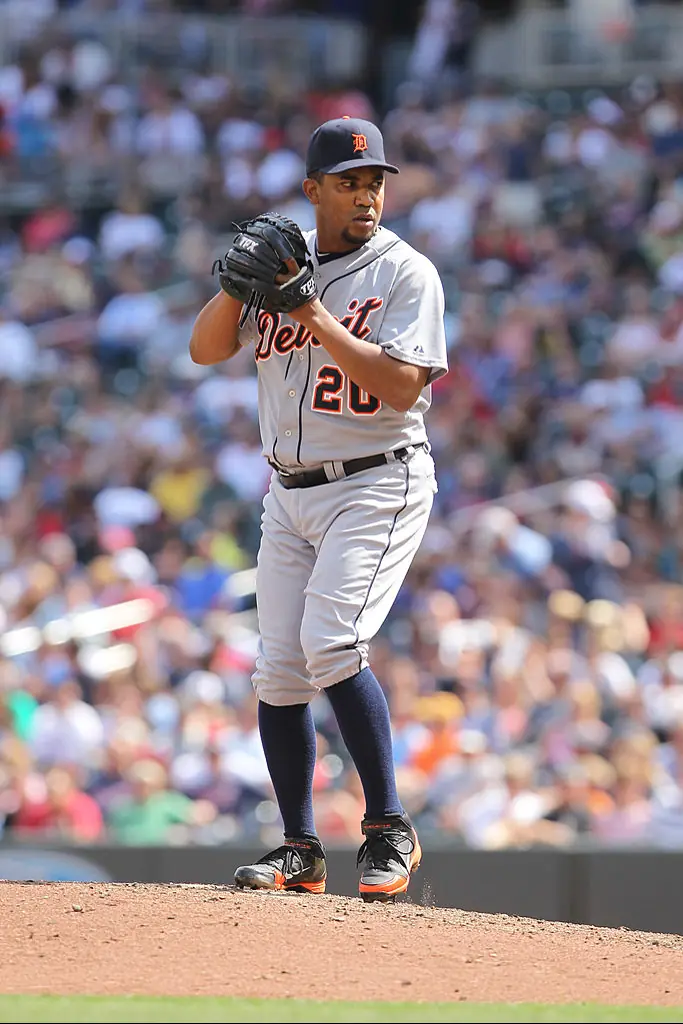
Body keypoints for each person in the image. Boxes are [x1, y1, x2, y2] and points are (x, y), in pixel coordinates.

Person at [190, 116, 448, 901]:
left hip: (377, 475)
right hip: (288, 487)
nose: (366, 194)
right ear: (314, 190)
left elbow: (403, 386)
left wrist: (309, 311)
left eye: (374, 181)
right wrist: (234, 289)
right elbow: (205, 350)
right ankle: (299, 847)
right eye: (349, 181)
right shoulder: (281, 258)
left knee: (332, 644)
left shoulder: (406, 273)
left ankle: (389, 828)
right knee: (277, 669)